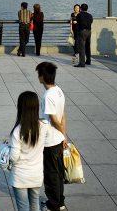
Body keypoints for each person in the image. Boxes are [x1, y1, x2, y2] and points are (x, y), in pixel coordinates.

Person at [8, 91, 48, 211]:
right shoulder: (44, 126)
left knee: (23, 207)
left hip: (20, 176)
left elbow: (14, 157)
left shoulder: (18, 131)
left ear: (21, 108)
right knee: (35, 205)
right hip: (36, 175)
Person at [36, 62, 67, 211]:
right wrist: (64, 136)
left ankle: (53, 204)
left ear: (42, 76)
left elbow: (54, 119)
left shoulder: (48, 96)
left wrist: (60, 133)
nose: (38, 77)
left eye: (39, 74)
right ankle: (59, 201)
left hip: (50, 141)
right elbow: (63, 117)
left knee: (51, 174)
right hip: (59, 139)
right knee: (58, 172)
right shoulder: (59, 90)